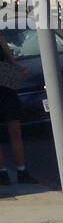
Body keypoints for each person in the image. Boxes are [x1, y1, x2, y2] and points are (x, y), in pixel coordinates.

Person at [0, 34, 34, 187]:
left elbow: (4, 46)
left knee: (15, 130)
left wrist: (15, 66)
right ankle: (2, 172)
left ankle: (21, 170)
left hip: (5, 82)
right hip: (5, 80)